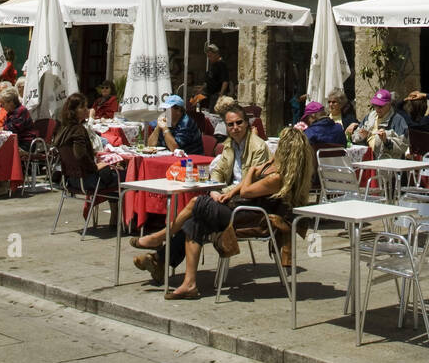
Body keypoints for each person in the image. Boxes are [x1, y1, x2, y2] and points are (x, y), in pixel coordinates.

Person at [132, 126, 314, 298]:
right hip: (242, 209)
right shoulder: (274, 166)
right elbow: (242, 188)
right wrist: (230, 194)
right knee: (194, 222)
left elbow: (247, 191)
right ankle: (187, 282)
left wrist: (251, 171)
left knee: (197, 202)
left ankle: (160, 237)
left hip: (250, 218)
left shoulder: (277, 177)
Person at [53, 93, 120, 223]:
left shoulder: (63, 129)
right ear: (73, 111)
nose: (86, 110)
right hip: (86, 181)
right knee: (121, 177)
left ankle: (115, 216)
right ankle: (125, 219)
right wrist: (95, 167)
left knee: (111, 173)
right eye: (82, 107)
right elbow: (80, 156)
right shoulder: (78, 130)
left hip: (70, 180)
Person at [209, 105, 271, 186]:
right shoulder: (229, 145)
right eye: (230, 124)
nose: (235, 127)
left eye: (239, 122)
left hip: (247, 194)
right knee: (197, 199)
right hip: (229, 191)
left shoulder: (258, 147)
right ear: (226, 127)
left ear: (246, 123)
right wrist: (214, 189)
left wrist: (224, 192)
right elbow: (218, 171)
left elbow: (253, 180)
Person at [348, 88, 409, 158]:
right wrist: (361, 136)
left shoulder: (398, 120)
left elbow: (403, 146)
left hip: (388, 162)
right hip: (367, 159)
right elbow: (355, 137)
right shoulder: (370, 117)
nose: (377, 109)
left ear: (389, 104)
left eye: (380, 106)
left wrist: (386, 141)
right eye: (375, 105)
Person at [0, 86, 41, 157]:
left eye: (3, 103)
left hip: (26, 144)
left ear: (11, 102)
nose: (2, 106)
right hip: (17, 142)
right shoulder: (10, 113)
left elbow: (10, 130)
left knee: (0, 151)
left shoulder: (21, 111)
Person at [203, 44, 229, 109]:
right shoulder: (213, 65)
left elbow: (225, 80)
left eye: (210, 56)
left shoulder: (221, 64)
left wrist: (221, 94)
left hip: (217, 95)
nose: (209, 58)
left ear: (216, 54)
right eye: (208, 56)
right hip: (211, 95)